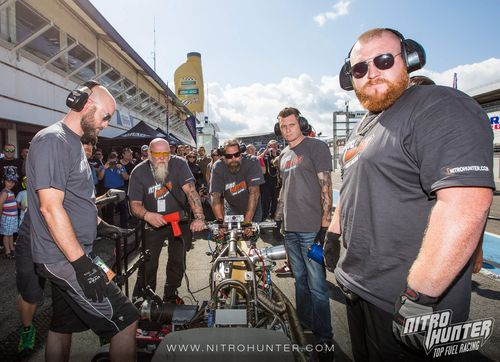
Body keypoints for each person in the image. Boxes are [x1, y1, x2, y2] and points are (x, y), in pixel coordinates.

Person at [324, 28, 494, 360]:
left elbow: (465, 204)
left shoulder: (439, 105)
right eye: (360, 68)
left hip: (405, 302)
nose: (371, 72)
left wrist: (421, 296)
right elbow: (352, 187)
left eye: (384, 60)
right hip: (360, 288)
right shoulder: (365, 126)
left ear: (409, 60)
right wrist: (334, 233)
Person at [27, 80, 138, 361]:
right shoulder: (53, 139)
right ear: (87, 105)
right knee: (126, 321)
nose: (105, 125)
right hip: (65, 259)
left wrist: (102, 225)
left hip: (75, 253)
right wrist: (82, 265)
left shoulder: (74, 143)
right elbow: (50, 208)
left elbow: (75, 201)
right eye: (105, 117)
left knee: (61, 326)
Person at [274, 107, 334, 360]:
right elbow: (283, 190)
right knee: (299, 280)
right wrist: (278, 219)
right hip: (290, 229)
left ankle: (324, 338)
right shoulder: (283, 156)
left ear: (301, 124)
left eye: (292, 125)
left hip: (311, 229)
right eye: (283, 126)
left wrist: (324, 225)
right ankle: (305, 326)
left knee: (318, 285)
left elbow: (326, 186)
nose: (288, 130)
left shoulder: (316, 147)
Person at [128, 138, 205, 303]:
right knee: (148, 262)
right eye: (158, 154)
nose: (162, 158)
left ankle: (170, 294)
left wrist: (199, 217)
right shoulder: (138, 172)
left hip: (179, 221)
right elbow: (134, 205)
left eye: (166, 154)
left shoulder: (180, 164)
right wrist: (148, 215)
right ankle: (146, 298)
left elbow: (191, 191)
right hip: (152, 222)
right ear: (149, 154)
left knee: (178, 260)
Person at [210, 139, 265, 224]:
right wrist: (220, 222)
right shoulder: (218, 167)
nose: (233, 159)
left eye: (236, 155)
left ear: (241, 153)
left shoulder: (252, 161)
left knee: (251, 234)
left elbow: (254, 192)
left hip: (253, 207)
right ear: (224, 157)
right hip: (232, 207)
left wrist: (247, 223)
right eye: (229, 156)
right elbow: (215, 195)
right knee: (230, 235)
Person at [0, 174, 18, 258]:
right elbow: (0, 204)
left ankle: (12, 248)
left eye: (13, 182)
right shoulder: (4, 192)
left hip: (12, 217)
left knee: (10, 234)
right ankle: (7, 251)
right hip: (7, 217)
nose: (10, 184)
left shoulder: (11, 192)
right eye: (8, 182)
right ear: (4, 181)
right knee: (6, 235)